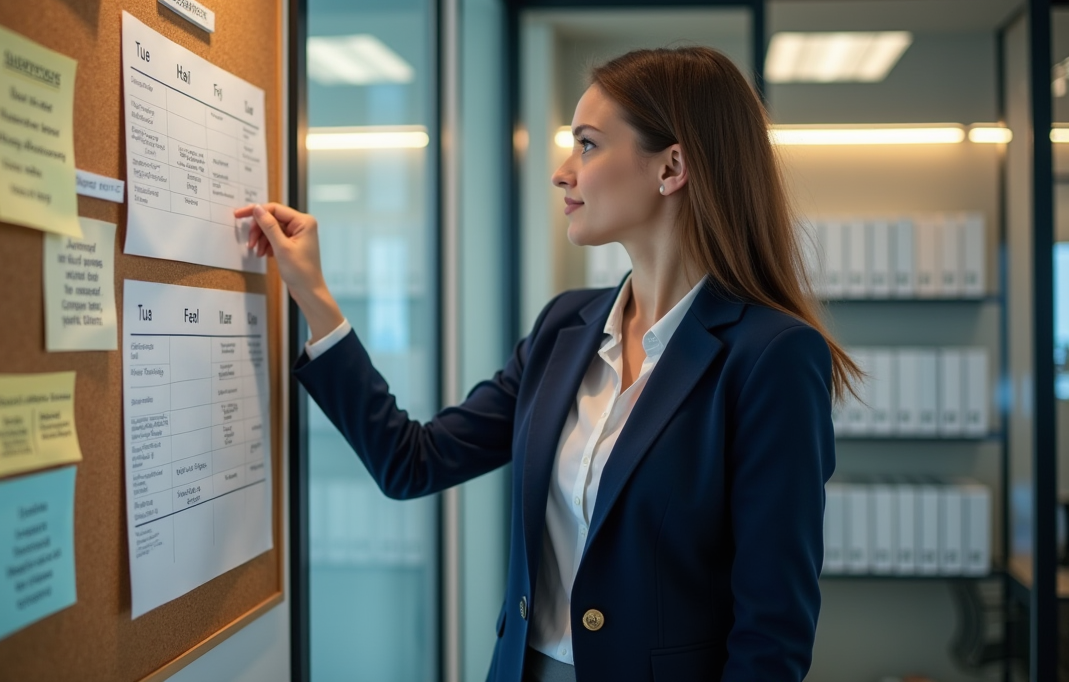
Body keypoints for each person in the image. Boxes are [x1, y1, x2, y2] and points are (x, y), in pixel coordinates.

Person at [235, 47, 854, 682]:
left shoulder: (771, 357)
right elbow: (411, 461)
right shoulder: (567, 326)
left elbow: (771, 634)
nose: (562, 173)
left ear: (672, 166)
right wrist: (313, 293)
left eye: (587, 145)